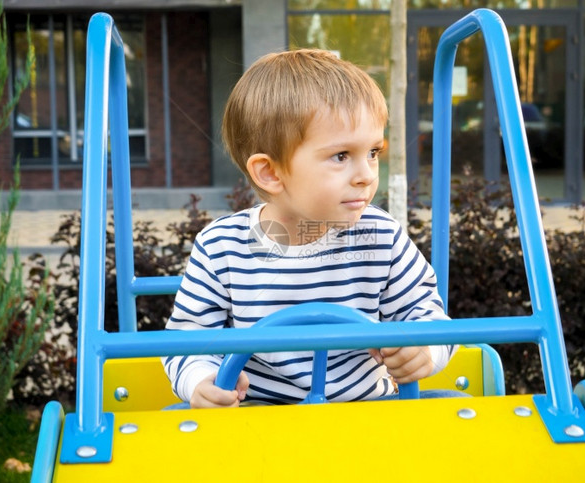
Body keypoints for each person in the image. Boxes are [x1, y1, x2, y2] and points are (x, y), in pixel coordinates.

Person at [163, 49, 456, 409]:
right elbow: (186, 339)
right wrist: (201, 380)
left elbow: (427, 314)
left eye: (373, 152)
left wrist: (423, 349)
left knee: (455, 407)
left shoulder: (381, 235)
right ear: (270, 173)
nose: (366, 175)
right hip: (261, 422)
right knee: (176, 421)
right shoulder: (221, 247)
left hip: (368, 415)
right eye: (341, 156)